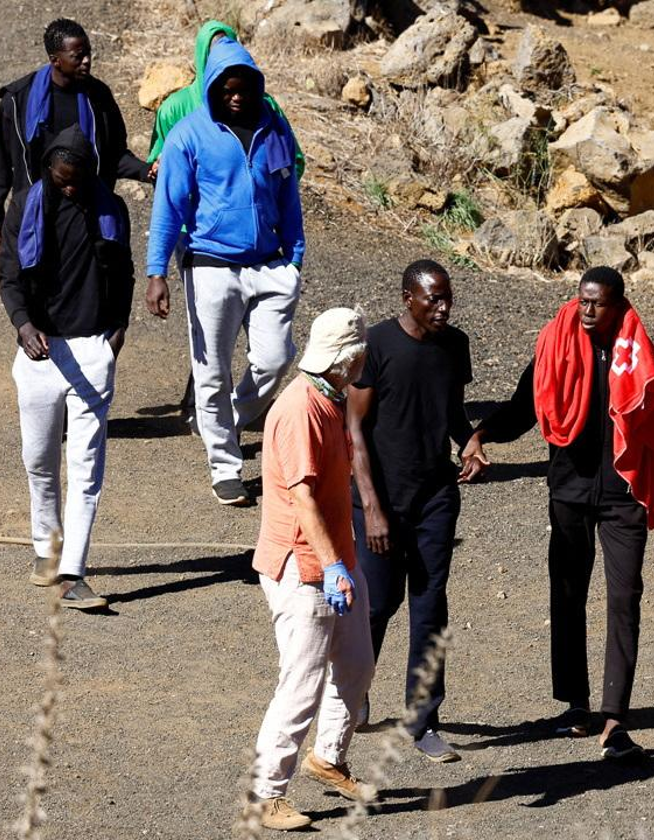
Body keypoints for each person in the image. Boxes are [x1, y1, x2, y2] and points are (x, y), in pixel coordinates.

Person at [463, 267, 654, 758]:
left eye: (597, 303)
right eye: (582, 301)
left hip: (624, 494)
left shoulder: (636, 350)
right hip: (570, 490)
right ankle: (576, 704)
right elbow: (525, 404)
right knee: (567, 593)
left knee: (624, 598)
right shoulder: (556, 343)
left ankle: (615, 715)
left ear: (617, 305)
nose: (586, 311)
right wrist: (481, 434)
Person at [145, 37, 304, 507]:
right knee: (210, 370)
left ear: (257, 87)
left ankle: (224, 421)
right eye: (226, 89)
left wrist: (294, 256)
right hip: (211, 264)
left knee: (275, 360)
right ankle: (224, 464)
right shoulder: (189, 135)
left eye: (244, 88)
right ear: (212, 87)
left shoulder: (274, 128)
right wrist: (158, 272)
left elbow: (288, 194)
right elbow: (168, 208)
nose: (236, 96)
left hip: (270, 264)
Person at [346, 260, 484, 763]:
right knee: (377, 604)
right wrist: (372, 509)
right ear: (408, 297)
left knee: (430, 606)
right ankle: (351, 693)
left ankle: (423, 720)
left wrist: (470, 443)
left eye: (448, 297)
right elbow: (353, 430)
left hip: (434, 499)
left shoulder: (454, 345)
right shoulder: (376, 347)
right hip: (379, 499)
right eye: (433, 299)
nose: (443, 307)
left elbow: (451, 411)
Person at [247, 308, 376, 832]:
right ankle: (266, 794)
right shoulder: (301, 409)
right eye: (361, 349)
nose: (366, 357)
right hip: (304, 569)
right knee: (301, 685)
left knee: (356, 666)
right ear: (347, 358)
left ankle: (328, 757)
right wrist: (330, 567)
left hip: (333, 560)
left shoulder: (332, 396)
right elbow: (301, 498)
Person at [0, 125, 134, 610]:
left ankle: (74, 572)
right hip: (40, 353)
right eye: (63, 179)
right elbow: (10, 276)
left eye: (79, 179)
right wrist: (23, 326)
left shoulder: (110, 211)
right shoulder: (26, 207)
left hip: (93, 350)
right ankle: (46, 547)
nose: (71, 187)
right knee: (39, 461)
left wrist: (118, 331)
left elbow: (124, 274)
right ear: (49, 171)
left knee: (86, 466)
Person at [0, 18, 151, 262]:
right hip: (36, 214)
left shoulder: (98, 98)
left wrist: (147, 171)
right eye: (78, 56)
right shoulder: (18, 101)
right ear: (55, 60)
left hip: (87, 216)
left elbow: (113, 154)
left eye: (89, 54)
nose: (87, 61)